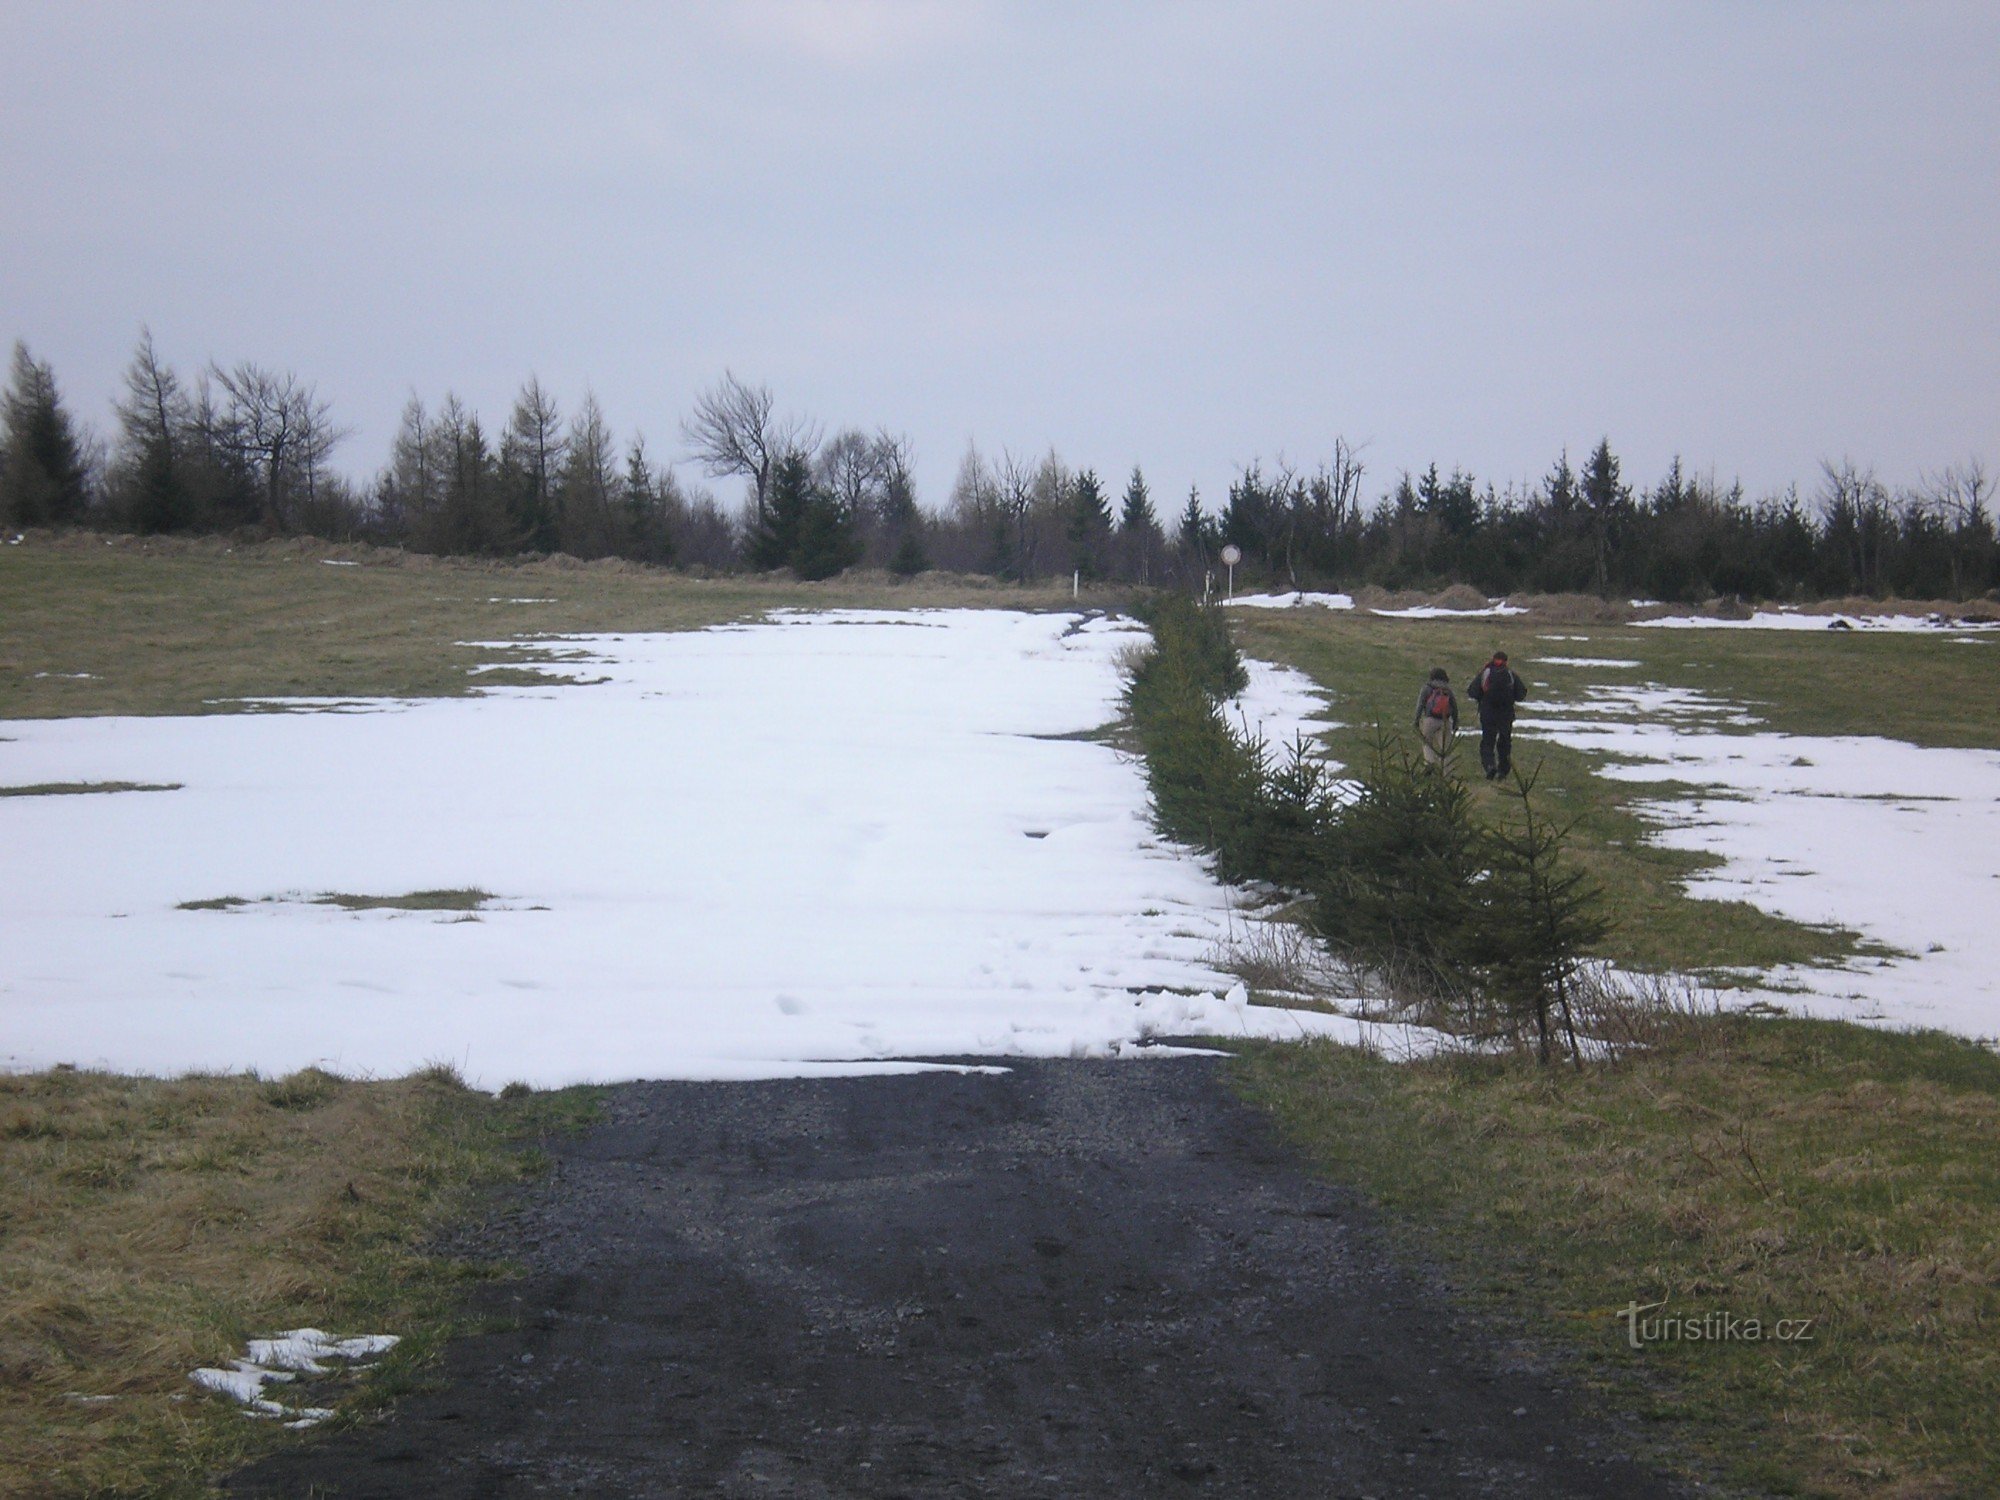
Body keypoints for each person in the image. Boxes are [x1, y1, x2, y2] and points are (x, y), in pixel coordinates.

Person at [1466, 650, 1528, 780]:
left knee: (1488, 741)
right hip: (1506, 714)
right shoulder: (1510, 674)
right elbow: (1521, 695)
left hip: (1488, 713)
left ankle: (1489, 766)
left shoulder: (1486, 673)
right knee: (1504, 742)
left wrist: (1483, 699)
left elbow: (1472, 691)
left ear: (1493, 659)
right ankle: (1503, 771)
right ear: (1506, 661)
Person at [1412, 666, 1458, 765]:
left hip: (1430, 719)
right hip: (1445, 721)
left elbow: (1420, 705)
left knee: (1427, 743)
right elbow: (1454, 706)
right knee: (1445, 749)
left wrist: (1416, 720)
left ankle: (1429, 763)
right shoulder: (1447, 689)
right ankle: (1446, 773)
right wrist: (1455, 722)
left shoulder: (1427, 687)